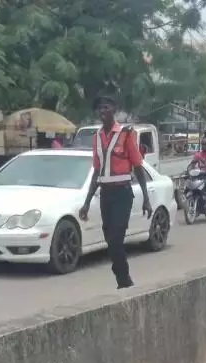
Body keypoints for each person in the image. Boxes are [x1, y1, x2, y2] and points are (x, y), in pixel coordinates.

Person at [79, 94, 152, 289]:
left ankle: (123, 279)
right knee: (109, 240)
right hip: (106, 195)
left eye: (106, 107)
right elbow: (96, 171)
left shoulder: (126, 134)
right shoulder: (96, 138)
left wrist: (146, 198)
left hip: (122, 194)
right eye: (100, 108)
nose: (102, 111)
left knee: (116, 237)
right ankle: (121, 276)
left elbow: (137, 166)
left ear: (114, 110)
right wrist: (86, 203)